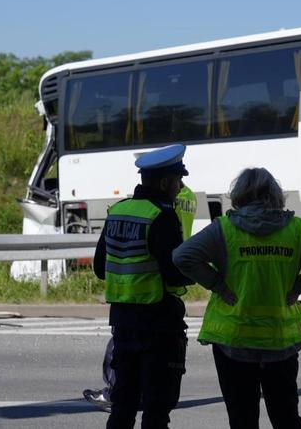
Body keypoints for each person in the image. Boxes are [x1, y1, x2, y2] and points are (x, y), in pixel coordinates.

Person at [173, 167, 301, 429]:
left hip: (234, 337)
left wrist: (217, 284)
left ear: (239, 195)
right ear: (276, 195)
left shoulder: (224, 230)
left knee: (242, 418)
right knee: (285, 415)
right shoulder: (297, 230)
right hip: (280, 338)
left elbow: (181, 256)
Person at [93, 144, 192, 428]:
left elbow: (100, 268)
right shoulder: (162, 215)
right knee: (156, 409)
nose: (180, 186)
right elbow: (173, 275)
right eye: (178, 180)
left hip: (123, 323)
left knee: (122, 406)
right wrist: (196, 272)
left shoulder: (118, 211)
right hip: (158, 324)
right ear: (165, 182)